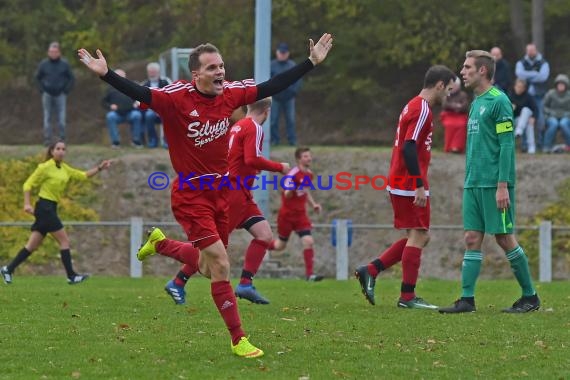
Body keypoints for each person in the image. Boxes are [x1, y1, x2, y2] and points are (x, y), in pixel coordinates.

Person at [78, 32, 333, 358]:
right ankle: (239, 338)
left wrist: (310, 63)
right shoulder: (176, 98)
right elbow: (141, 92)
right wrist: (106, 74)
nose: (220, 72)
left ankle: (160, 244)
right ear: (195, 74)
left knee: (208, 267)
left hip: (222, 193)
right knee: (222, 265)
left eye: (222, 66)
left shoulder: (230, 95)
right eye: (212, 68)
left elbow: (271, 87)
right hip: (191, 194)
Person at [139, 98, 290, 306]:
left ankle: (245, 283)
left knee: (264, 235)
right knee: (210, 253)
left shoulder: (237, 126)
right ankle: (163, 248)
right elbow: (251, 159)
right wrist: (280, 167)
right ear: (267, 111)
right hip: (234, 193)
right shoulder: (254, 127)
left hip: (241, 193)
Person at [439, 50, 540, 314]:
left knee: (504, 238)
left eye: (467, 67)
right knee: (472, 237)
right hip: (473, 183)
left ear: (482, 71)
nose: (462, 71)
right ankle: (466, 300)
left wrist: (503, 185)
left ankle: (530, 297)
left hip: (494, 183)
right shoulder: (475, 102)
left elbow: (507, 146)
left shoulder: (500, 101)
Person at [355, 65, 456, 309]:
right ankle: (407, 297)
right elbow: (409, 147)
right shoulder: (422, 108)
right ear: (439, 85)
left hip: (403, 180)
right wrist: (419, 184)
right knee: (419, 235)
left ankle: (371, 270)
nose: (450, 95)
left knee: (419, 236)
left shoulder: (414, 105)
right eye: (449, 89)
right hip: (409, 182)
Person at [1, 141, 111, 285]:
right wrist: (27, 203)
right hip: (44, 207)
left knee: (31, 246)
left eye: (64, 149)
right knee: (64, 241)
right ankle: (71, 276)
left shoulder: (64, 168)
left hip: (50, 208)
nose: (61, 151)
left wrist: (99, 168)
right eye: (58, 149)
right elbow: (27, 185)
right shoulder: (45, 167)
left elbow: (83, 175)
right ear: (52, 151)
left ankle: (8, 269)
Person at [267, 147, 324, 281]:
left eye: (309, 156)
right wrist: (290, 191)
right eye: (305, 156)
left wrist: (313, 204)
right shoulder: (292, 174)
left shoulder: (309, 174)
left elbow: (305, 190)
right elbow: (286, 193)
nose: (309, 158)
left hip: (300, 216)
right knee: (280, 246)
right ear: (299, 159)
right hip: (287, 216)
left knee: (308, 241)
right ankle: (262, 245)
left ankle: (310, 275)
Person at [35, 42, 75, 146]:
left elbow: (71, 78)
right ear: (48, 53)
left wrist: (66, 90)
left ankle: (61, 139)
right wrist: (42, 90)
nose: (53, 53)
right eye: (51, 52)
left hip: (60, 94)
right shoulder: (43, 64)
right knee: (47, 117)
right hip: (47, 94)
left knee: (61, 118)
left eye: (55, 52)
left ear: (59, 52)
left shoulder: (64, 64)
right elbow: (37, 78)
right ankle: (47, 139)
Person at [515, 43, 550, 149]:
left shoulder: (544, 63)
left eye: (532, 50)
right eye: (528, 50)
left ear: (536, 50)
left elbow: (543, 77)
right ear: (526, 51)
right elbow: (519, 74)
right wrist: (535, 73)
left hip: (539, 96)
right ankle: (525, 145)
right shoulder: (521, 62)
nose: (530, 52)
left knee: (540, 120)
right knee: (524, 119)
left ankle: (540, 144)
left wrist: (527, 75)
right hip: (524, 97)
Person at [102, 69, 143, 148]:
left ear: (125, 76)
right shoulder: (110, 88)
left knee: (137, 115)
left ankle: (136, 141)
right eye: (117, 75)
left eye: (121, 75)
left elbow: (140, 97)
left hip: (130, 112)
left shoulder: (131, 86)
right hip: (117, 114)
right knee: (110, 116)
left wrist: (137, 102)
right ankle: (115, 142)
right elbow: (103, 102)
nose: (119, 77)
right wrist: (110, 106)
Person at [270, 42, 302, 146]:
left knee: (291, 120)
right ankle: (275, 140)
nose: (282, 54)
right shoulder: (271, 65)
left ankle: (292, 140)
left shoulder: (292, 65)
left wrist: (293, 92)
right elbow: (268, 81)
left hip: (289, 98)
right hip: (275, 97)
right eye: (281, 52)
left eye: (284, 53)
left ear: (288, 53)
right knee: (273, 120)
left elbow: (298, 80)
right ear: (277, 53)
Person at [141, 62, 171, 148]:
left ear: (158, 72)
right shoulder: (144, 84)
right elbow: (141, 100)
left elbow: (171, 95)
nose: (152, 73)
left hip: (165, 109)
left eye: (154, 71)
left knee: (168, 115)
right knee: (148, 115)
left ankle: (167, 140)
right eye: (151, 72)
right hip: (151, 110)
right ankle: (153, 140)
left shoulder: (166, 81)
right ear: (148, 72)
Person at [439, 77, 469, 153]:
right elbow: (445, 104)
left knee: (461, 125)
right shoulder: (447, 94)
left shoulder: (463, 94)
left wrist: (456, 107)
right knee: (449, 125)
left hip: (460, 116)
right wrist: (455, 106)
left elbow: (465, 106)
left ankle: (456, 147)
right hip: (449, 116)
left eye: (455, 85)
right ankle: (449, 146)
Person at [542, 74, 570, 153]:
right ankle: (546, 146)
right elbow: (544, 106)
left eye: (562, 84)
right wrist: (549, 113)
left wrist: (567, 114)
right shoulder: (550, 93)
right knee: (553, 124)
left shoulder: (569, 95)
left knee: (563, 124)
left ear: (566, 85)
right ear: (556, 85)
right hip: (552, 116)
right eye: (559, 84)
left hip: (566, 116)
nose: (560, 86)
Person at [509, 78, 538, 154]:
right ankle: (532, 146)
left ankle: (519, 131)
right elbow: (506, 111)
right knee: (528, 123)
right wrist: (511, 108)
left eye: (521, 87)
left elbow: (535, 109)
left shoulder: (528, 96)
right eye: (517, 86)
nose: (519, 89)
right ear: (514, 86)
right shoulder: (510, 96)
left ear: (524, 88)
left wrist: (533, 117)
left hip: (526, 119)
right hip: (515, 120)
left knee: (526, 111)